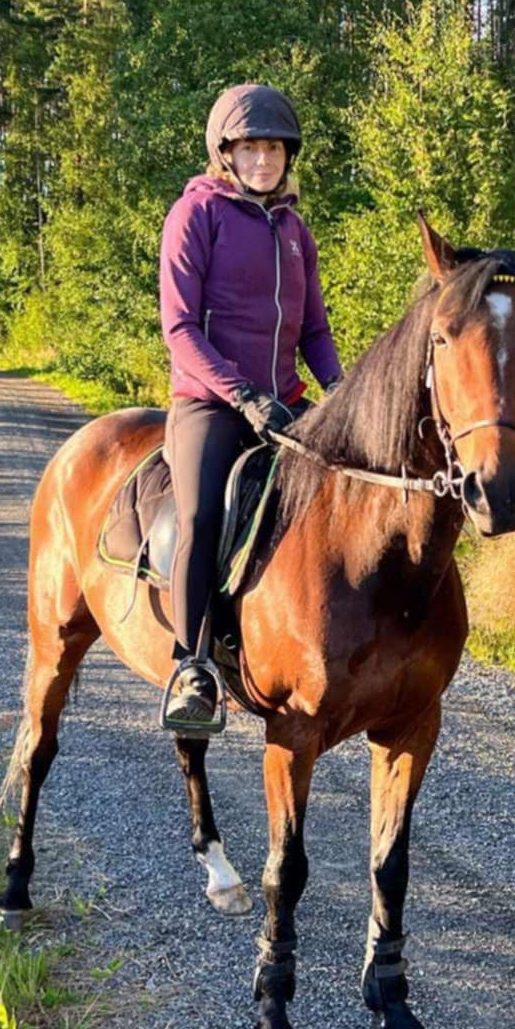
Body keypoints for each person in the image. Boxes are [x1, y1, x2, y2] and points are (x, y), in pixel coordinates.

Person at [156, 83, 343, 733]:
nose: (263, 158)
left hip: (286, 406)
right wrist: (240, 394)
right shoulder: (196, 215)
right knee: (204, 516)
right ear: (224, 152)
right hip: (210, 404)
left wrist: (339, 393)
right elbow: (180, 327)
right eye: (249, 147)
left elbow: (314, 331)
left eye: (273, 147)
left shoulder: (295, 231)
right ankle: (192, 667)